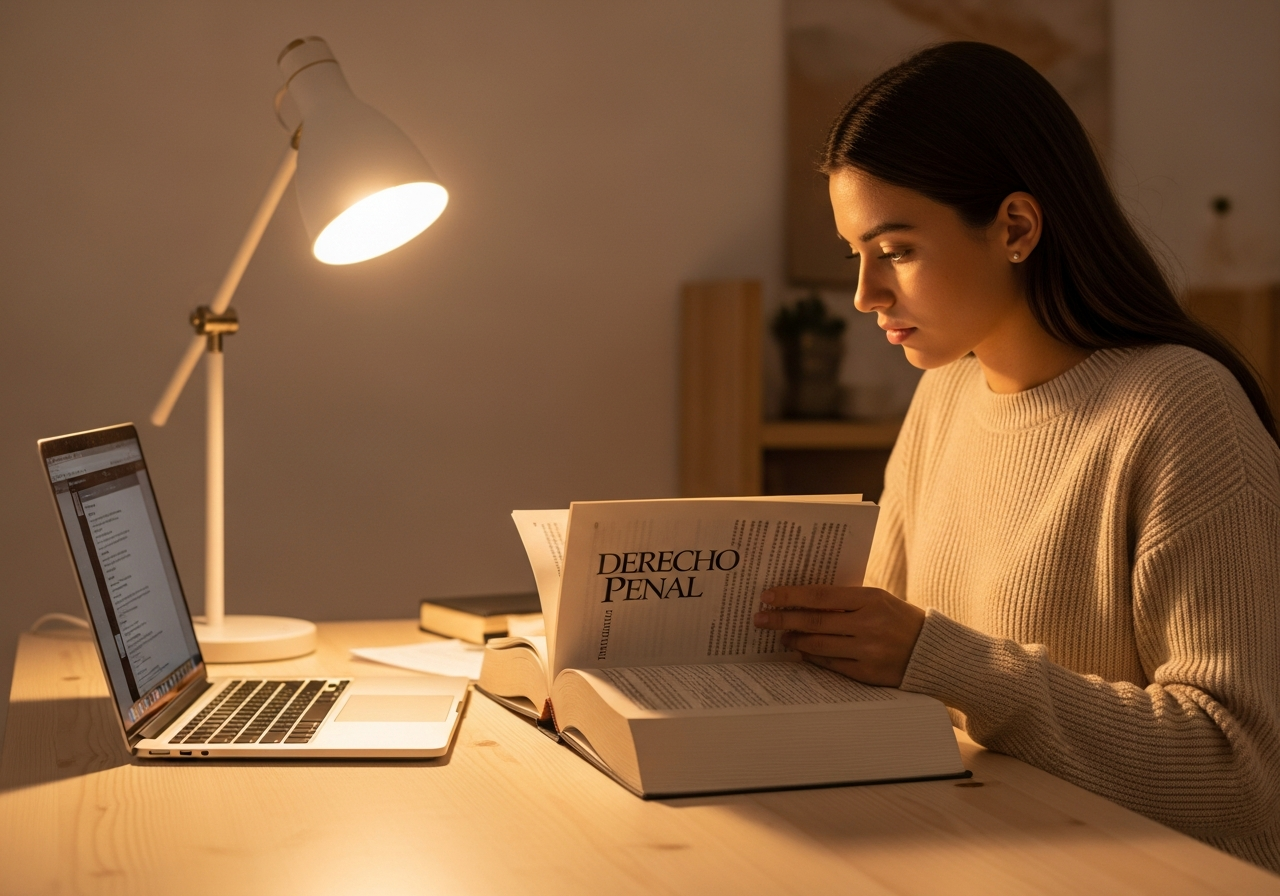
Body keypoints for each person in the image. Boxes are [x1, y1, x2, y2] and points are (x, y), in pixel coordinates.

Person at [752, 42, 1280, 872]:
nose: (864, 295)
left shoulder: (1183, 410)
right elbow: (885, 667)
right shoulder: (946, 396)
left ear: (1016, 227)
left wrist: (949, 661)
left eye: (894, 250)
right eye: (854, 252)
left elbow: (1240, 767)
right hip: (981, 852)